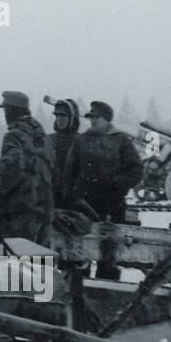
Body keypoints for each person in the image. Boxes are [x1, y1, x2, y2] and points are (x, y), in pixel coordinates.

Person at [64, 101, 144, 278]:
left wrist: (116, 183)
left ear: (107, 120)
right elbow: (69, 172)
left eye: (97, 118)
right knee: (79, 255)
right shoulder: (81, 141)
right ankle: (78, 293)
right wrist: (69, 196)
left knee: (108, 256)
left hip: (112, 206)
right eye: (91, 117)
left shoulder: (121, 141)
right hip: (83, 206)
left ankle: (105, 294)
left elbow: (136, 170)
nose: (93, 121)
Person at [0, 91, 55, 244]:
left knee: (16, 265)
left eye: (6, 110)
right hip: (44, 212)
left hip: (19, 214)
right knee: (41, 264)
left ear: (13, 111)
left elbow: (11, 172)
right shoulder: (43, 137)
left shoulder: (14, 136)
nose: (5, 115)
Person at [47, 98, 81, 208]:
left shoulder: (82, 141)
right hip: (50, 197)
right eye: (57, 116)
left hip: (75, 199)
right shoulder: (48, 140)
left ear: (72, 118)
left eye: (63, 116)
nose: (59, 119)